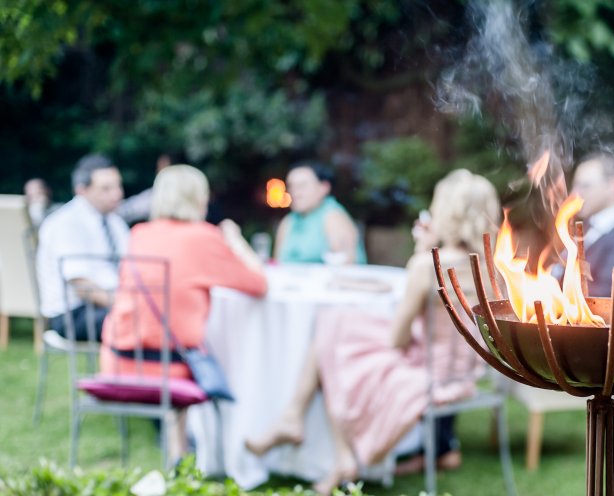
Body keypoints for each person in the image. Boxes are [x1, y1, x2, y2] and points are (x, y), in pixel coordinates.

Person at [246, 169, 500, 495]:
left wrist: (423, 252)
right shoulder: (495, 268)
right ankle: (318, 438)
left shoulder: (428, 265)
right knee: (337, 322)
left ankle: (335, 450)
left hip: (428, 371)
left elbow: (398, 338)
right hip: (464, 371)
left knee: (335, 340)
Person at [100, 164, 268, 461]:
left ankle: (179, 450)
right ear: (198, 198)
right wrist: (236, 241)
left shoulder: (139, 233)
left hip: (118, 362)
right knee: (205, 351)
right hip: (171, 368)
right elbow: (258, 284)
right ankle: (207, 452)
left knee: (175, 340)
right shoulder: (204, 237)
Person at [37, 154, 129, 341]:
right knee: (140, 321)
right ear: (82, 190)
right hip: (72, 314)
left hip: (105, 305)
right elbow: (81, 285)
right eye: (106, 188)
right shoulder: (66, 223)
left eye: (118, 185)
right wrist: (125, 304)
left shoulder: (115, 222)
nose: (117, 194)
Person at [551, 151, 614, 296]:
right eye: (575, 186)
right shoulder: (585, 228)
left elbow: (603, 296)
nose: (574, 194)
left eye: (585, 186)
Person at [274, 162, 367, 264]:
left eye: (302, 186)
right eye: (291, 186)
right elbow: (278, 262)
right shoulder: (288, 221)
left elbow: (344, 263)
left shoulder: (332, 216)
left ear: (324, 187)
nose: (295, 192)